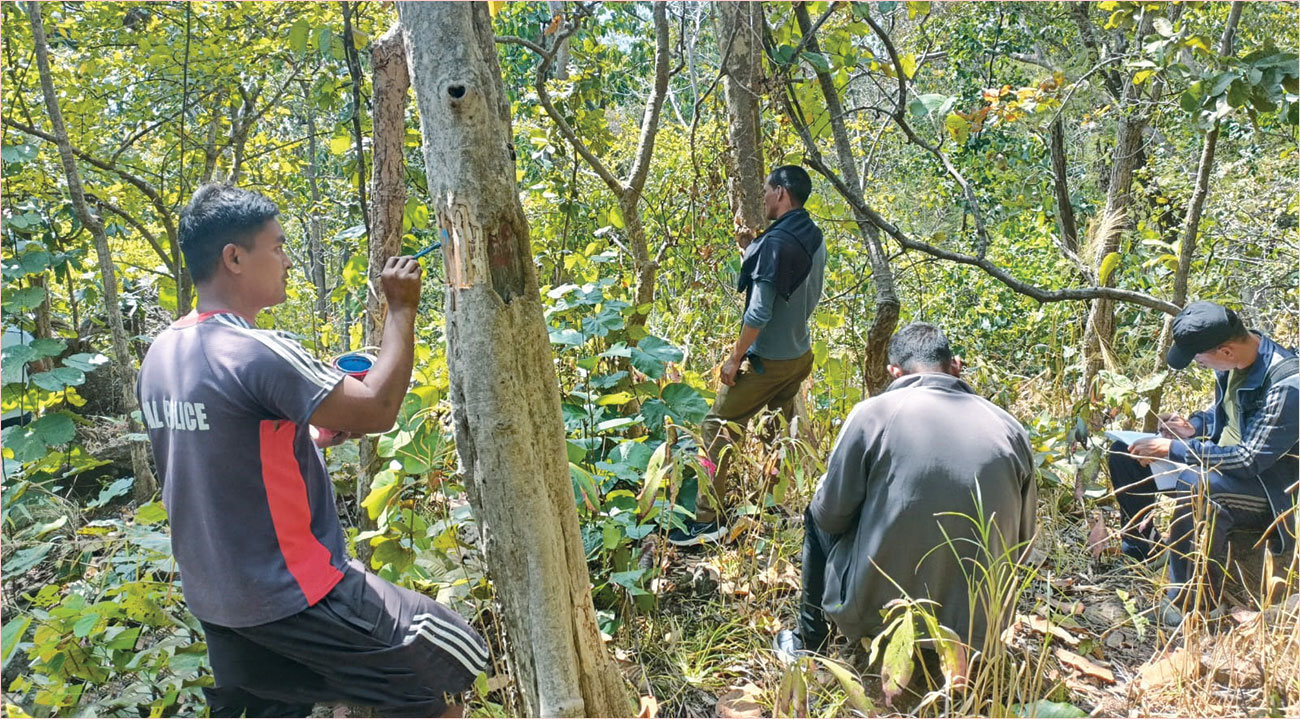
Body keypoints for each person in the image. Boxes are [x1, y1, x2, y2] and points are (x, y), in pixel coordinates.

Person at [137, 184, 487, 717]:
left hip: (217, 599)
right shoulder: (254, 350)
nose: (288, 261)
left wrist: (309, 437)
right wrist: (400, 309)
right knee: (451, 654)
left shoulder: (164, 352)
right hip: (294, 591)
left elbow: (219, 446)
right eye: (276, 247)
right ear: (234, 258)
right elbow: (376, 409)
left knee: (272, 707)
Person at [774, 324, 1036, 658]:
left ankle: (809, 644)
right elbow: (1023, 543)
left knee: (815, 512)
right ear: (955, 365)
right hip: (977, 628)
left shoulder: (872, 414)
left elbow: (830, 514)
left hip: (883, 614)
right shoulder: (1009, 428)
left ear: (894, 372)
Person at [1108, 301, 1297, 625]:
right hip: (1224, 466)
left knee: (1202, 490)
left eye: (1199, 360)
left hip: (1270, 490)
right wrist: (1194, 426)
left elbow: (1248, 460)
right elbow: (1227, 415)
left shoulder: (1288, 385)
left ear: (1224, 351)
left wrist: (1174, 449)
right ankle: (1142, 549)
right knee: (1126, 452)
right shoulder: (1236, 364)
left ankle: (1192, 605)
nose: (1199, 365)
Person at [669, 165, 826, 546]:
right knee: (778, 428)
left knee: (716, 426)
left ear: (783, 194)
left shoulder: (775, 246)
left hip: (768, 361)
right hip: (799, 355)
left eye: (768, 190)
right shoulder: (812, 234)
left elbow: (758, 312)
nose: (765, 198)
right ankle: (777, 504)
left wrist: (735, 357)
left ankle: (708, 520)